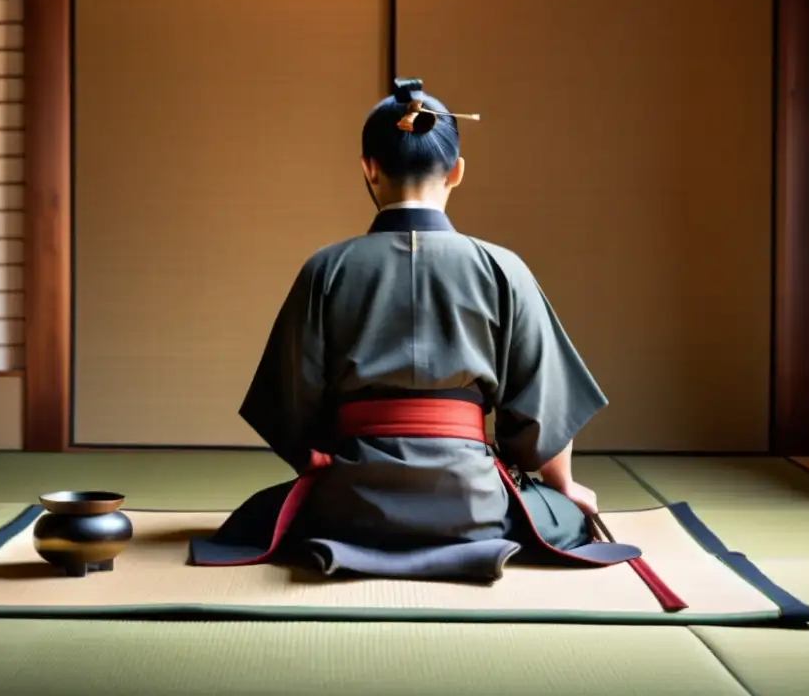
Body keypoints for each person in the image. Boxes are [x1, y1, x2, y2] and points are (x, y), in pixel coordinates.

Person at [189, 78, 645, 583]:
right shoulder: (502, 267)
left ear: (369, 168)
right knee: (567, 516)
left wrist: (331, 464)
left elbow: (290, 410)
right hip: (474, 505)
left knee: (258, 517)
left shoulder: (326, 268)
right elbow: (544, 399)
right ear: (457, 172)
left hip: (351, 504)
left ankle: (346, 529)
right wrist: (565, 486)